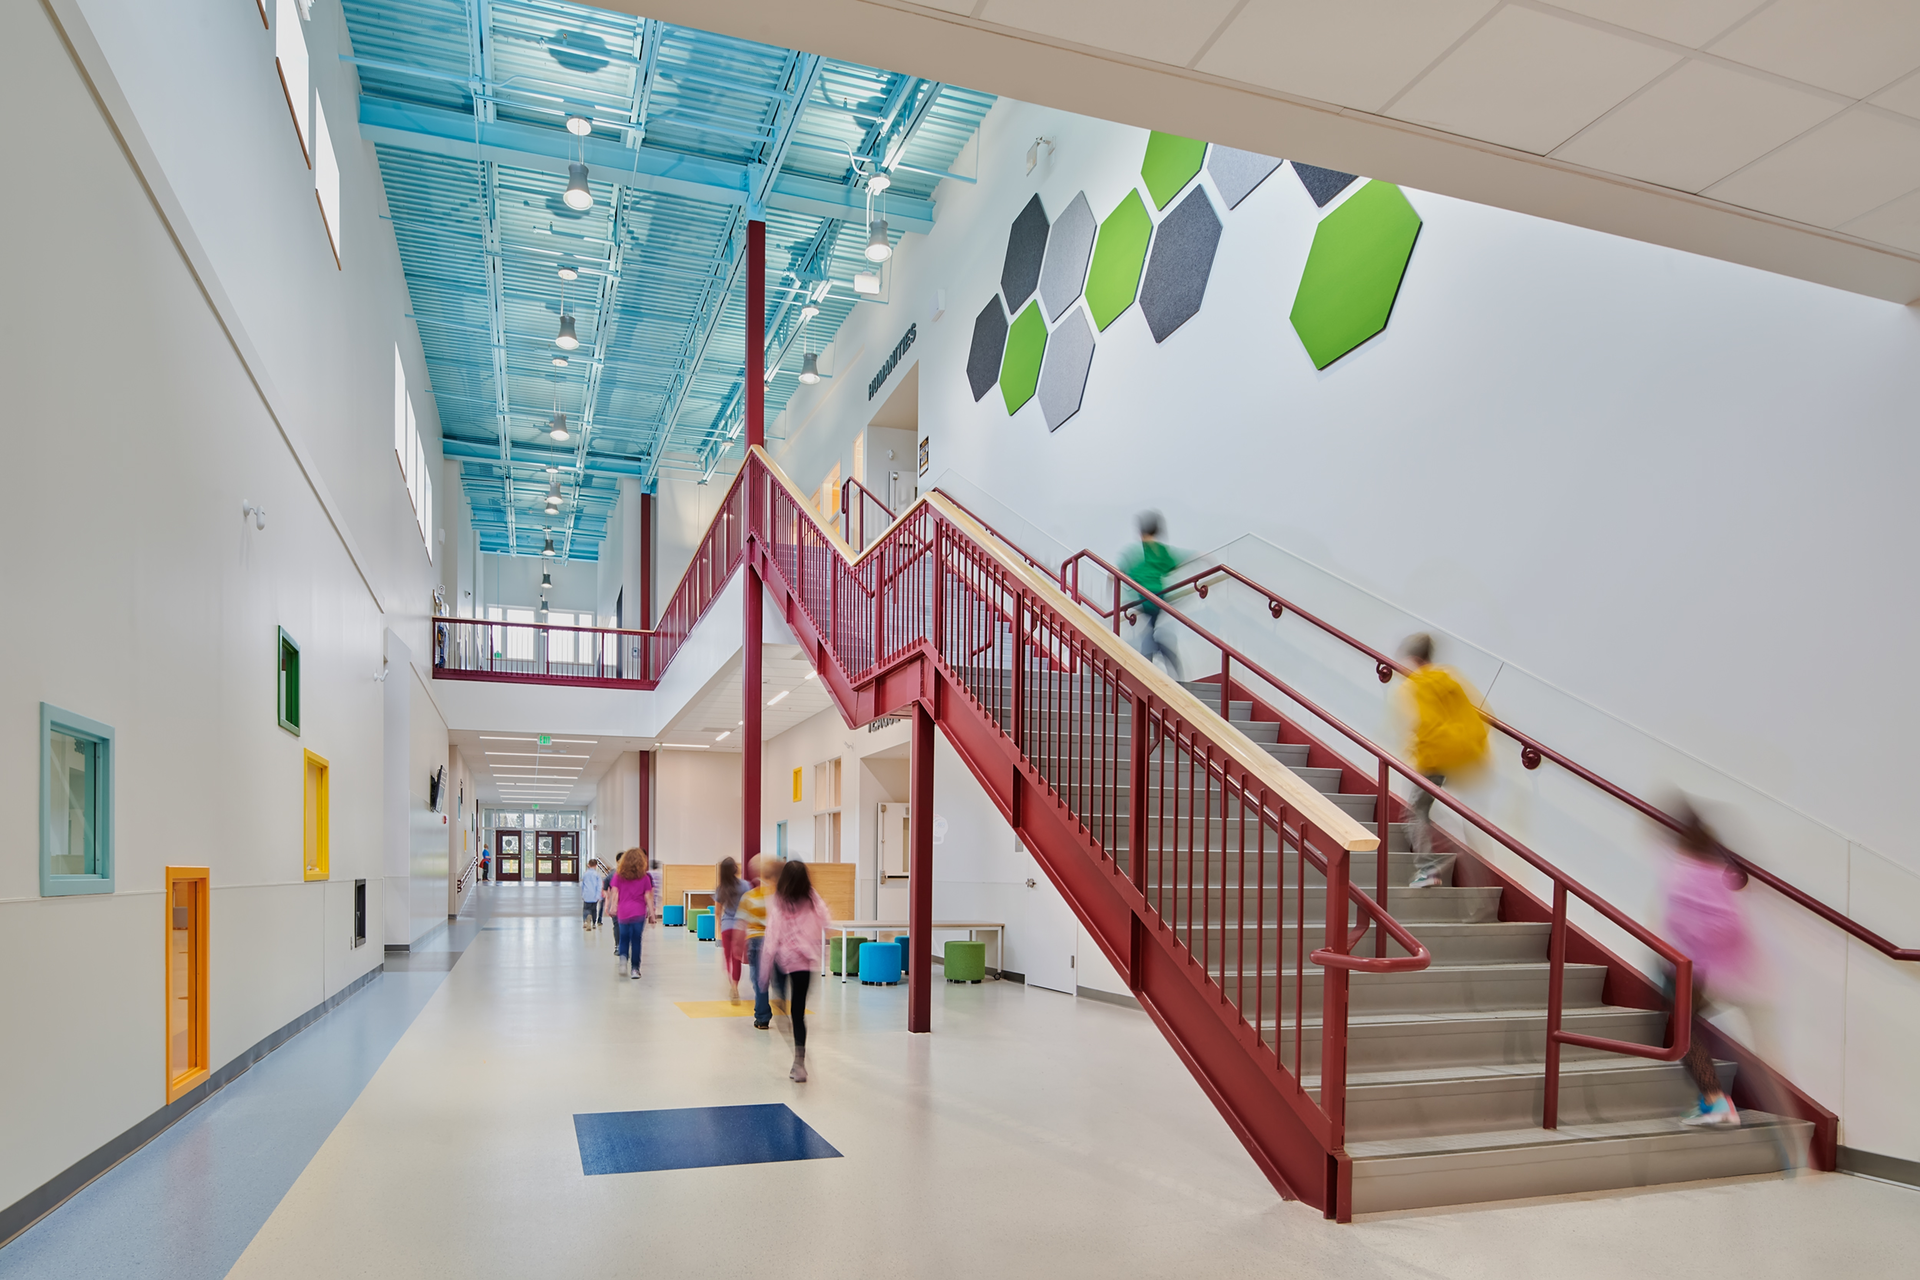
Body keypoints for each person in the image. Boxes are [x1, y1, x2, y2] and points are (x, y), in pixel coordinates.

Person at [1397, 633, 1489, 889]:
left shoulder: (1420, 683)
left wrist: (1416, 748)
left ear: (1414, 657)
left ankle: (1427, 869)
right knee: (1423, 808)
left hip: (1433, 758)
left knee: (1415, 813)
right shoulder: (1449, 678)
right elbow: (1477, 716)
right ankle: (1441, 862)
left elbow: (1426, 722)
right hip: (1455, 756)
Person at [759, 859, 832, 1082]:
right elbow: (826, 919)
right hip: (805, 963)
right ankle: (799, 1062)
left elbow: (772, 936)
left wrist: (764, 973)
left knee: (782, 1006)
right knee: (798, 1013)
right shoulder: (811, 897)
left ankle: (781, 1010)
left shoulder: (780, 901)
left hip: (783, 961)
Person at [1117, 511, 1187, 678]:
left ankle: (1146, 668)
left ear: (1141, 531)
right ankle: (1164, 665)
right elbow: (1176, 562)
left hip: (1144, 599)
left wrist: (1115, 591)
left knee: (1150, 634)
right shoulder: (1160, 551)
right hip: (1160, 597)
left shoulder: (1137, 552)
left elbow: (1119, 571)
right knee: (1152, 631)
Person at [741, 856, 777, 1028]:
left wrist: (739, 945)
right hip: (773, 940)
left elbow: (741, 922)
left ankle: (762, 1017)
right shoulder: (777, 896)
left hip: (755, 941)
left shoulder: (749, 897)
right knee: (773, 977)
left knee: (758, 979)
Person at [611, 847, 652, 979]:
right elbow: (648, 896)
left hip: (623, 912)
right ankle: (635, 969)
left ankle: (623, 960)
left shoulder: (618, 876)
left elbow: (615, 893)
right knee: (636, 940)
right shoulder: (645, 878)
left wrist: (613, 907)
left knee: (624, 938)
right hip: (638, 913)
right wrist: (652, 913)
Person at [714, 857, 749, 1003]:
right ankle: (735, 986)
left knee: (728, 958)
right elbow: (749, 905)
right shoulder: (745, 885)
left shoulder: (721, 889)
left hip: (727, 926)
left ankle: (732, 987)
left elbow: (717, 911)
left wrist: (719, 926)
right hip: (740, 927)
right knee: (737, 959)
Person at [580, 858, 606, 931]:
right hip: (594, 895)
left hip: (586, 894)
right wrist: (599, 895)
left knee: (586, 908)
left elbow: (582, 884)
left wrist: (582, 894)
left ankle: (586, 921)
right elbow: (599, 885)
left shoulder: (585, 874)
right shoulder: (597, 875)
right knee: (594, 909)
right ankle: (594, 923)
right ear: (596, 865)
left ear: (588, 865)